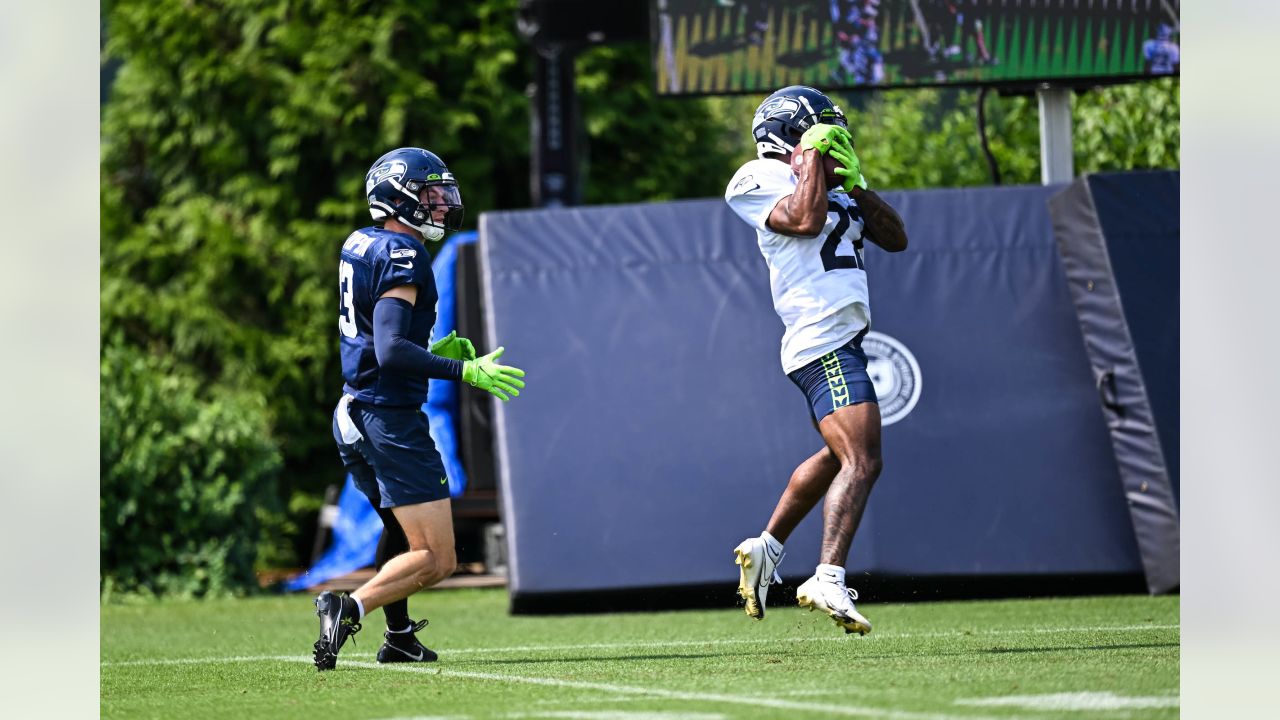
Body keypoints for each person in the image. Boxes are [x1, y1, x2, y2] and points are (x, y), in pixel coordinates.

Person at [312, 147, 528, 670]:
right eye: (430, 194)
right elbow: (390, 348)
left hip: (354, 411)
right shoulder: (403, 254)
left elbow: (372, 336)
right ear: (397, 197)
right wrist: (463, 371)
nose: (441, 203)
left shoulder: (362, 242)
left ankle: (401, 636)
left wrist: (433, 349)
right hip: (389, 420)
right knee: (438, 557)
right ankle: (349, 606)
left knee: (400, 534)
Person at [723, 86, 907, 635]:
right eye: (820, 127)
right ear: (790, 132)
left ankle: (767, 548)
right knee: (865, 458)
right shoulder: (756, 177)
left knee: (837, 455)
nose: (833, 137)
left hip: (842, 336)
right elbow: (802, 223)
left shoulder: (828, 182)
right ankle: (827, 575)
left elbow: (895, 238)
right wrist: (808, 163)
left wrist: (857, 184)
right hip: (818, 335)